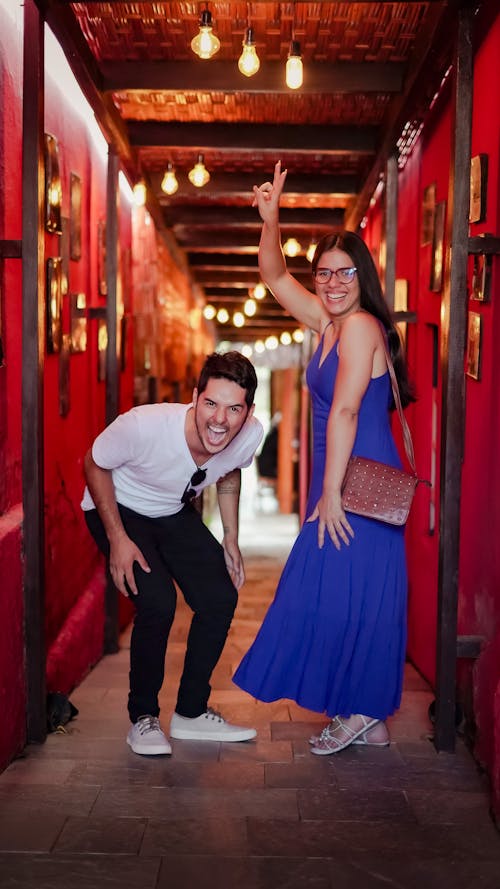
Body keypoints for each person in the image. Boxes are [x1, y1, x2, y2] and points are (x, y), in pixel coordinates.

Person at [233, 161, 415, 754]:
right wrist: (270, 220)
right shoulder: (328, 323)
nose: (332, 282)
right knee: (340, 591)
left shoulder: (359, 326)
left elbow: (343, 413)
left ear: (363, 276)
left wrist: (330, 493)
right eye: (324, 274)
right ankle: (366, 713)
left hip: (355, 479)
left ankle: (362, 707)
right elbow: (275, 276)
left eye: (344, 272)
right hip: (338, 477)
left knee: (339, 590)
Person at [81, 351, 263, 756]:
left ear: (248, 412)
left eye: (234, 409)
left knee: (220, 597)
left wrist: (230, 535)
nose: (220, 419)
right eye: (211, 403)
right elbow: (93, 465)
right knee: (159, 602)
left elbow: (231, 467)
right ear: (196, 396)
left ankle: (190, 714)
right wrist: (117, 539)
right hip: (117, 507)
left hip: (171, 511)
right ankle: (143, 718)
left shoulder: (250, 433)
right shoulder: (145, 426)